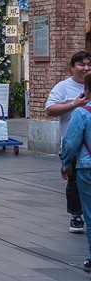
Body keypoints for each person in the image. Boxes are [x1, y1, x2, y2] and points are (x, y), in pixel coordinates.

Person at [46, 50, 91, 235]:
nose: (86, 68)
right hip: (73, 144)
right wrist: (74, 104)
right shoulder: (63, 87)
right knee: (74, 182)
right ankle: (76, 215)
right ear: (72, 67)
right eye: (81, 64)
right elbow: (49, 109)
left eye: (89, 64)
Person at [59, 70, 91, 270]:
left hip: (87, 168)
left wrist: (66, 163)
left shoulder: (82, 112)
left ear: (86, 90)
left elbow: (70, 143)